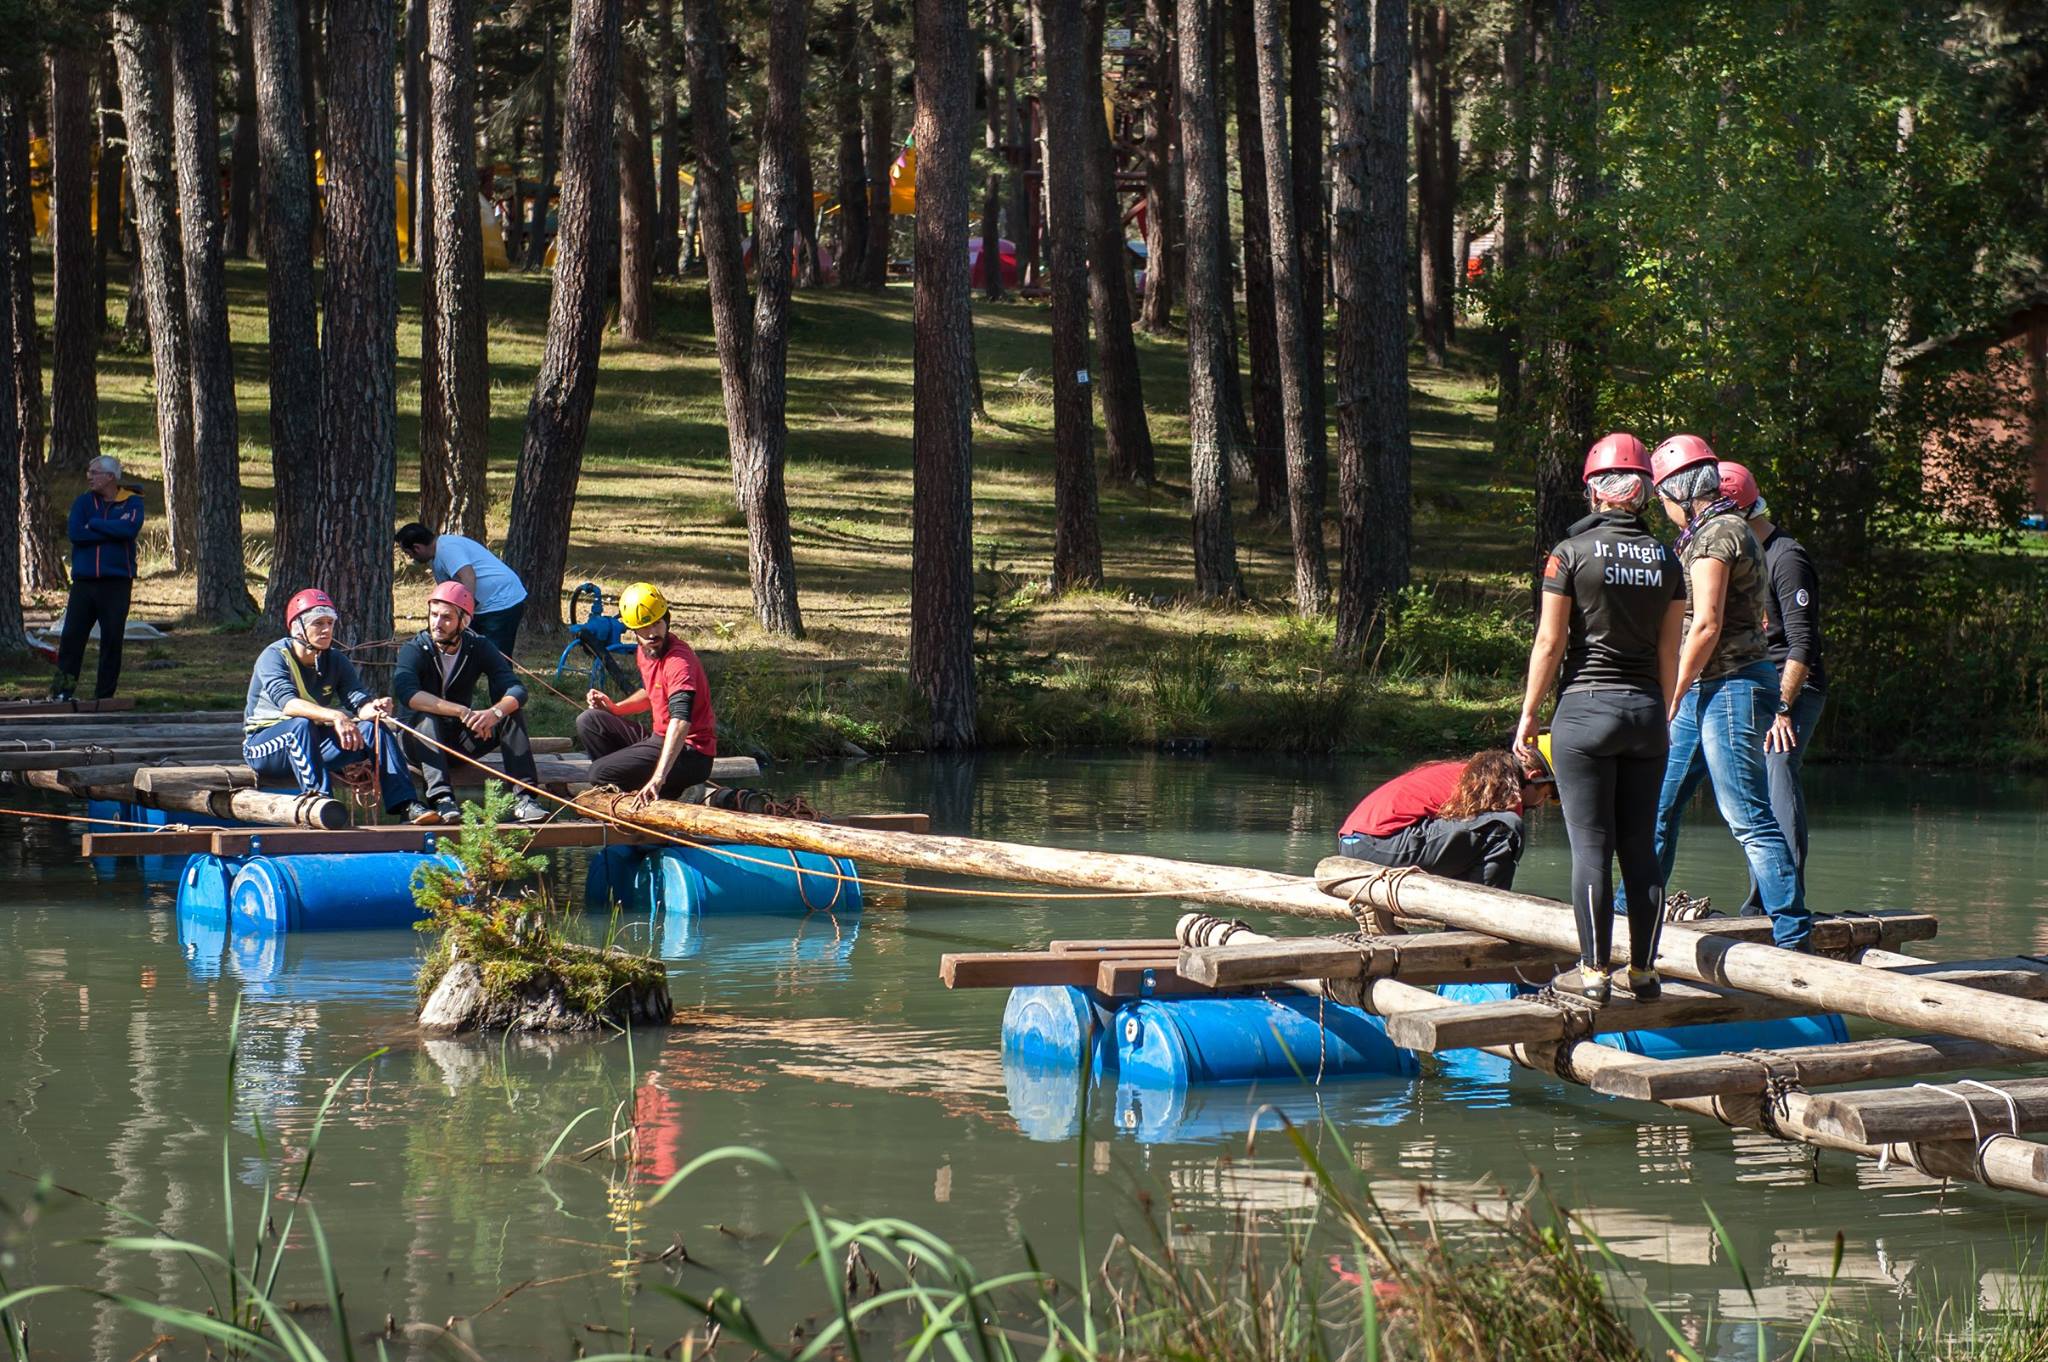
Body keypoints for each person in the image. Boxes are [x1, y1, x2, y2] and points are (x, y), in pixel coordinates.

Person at [1517, 433, 1688, 1002]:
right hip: (1646, 717)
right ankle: (1644, 972)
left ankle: (1593, 974)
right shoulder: (1667, 558)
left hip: (1584, 713)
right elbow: (1671, 651)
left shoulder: (1568, 555)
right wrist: (1663, 712)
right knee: (1638, 848)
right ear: (1642, 493)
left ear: (1594, 490)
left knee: (1592, 848)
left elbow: (1549, 641)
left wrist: (1528, 716)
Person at [1643, 435, 1811, 952]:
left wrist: (1675, 686)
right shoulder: (1717, 529)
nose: (1664, 509)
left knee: (1747, 816)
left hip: (1732, 684)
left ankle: (1792, 935)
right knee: (1659, 807)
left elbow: (1707, 624)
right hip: (1709, 687)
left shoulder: (1717, 534)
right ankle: (1633, 914)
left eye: (1664, 498)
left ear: (1682, 491)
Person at [1717, 461, 1827, 915]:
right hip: (1756, 684)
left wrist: (1783, 707)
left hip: (1794, 688)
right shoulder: (1742, 557)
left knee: (1778, 765)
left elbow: (1802, 643)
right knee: (1749, 784)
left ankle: (1786, 900)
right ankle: (1761, 900)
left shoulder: (1787, 558)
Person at [241, 588, 437, 824]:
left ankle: (406, 804)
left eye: (330, 623)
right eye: (318, 623)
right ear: (297, 628)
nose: (326, 630)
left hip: (310, 742)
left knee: (373, 729)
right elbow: (289, 705)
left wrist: (373, 708)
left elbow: (358, 701)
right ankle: (319, 803)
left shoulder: (335, 659)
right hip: (265, 746)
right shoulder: (274, 656)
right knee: (300, 725)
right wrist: (335, 716)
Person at [390, 580, 553, 824]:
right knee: (426, 717)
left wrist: (493, 714)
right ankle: (442, 800)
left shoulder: (478, 646)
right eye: (433, 615)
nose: (437, 623)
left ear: (464, 621)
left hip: (457, 742)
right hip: (415, 743)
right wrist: (462, 711)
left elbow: (517, 689)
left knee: (510, 715)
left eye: (446, 617)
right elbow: (408, 694)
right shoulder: (414, 649)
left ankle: (525, 799)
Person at [575, 582, 718, 806]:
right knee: (590, 721)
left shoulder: (679, 662)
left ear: (666, 619)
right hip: (659, 739)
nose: (653, 633)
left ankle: (660, 792)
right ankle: (632, 789)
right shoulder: (646, 651)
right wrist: (615, 708)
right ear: (633, 630)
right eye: (644, 628)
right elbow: (652, 692)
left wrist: (659, 777)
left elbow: (680, 721)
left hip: (691, 754)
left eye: (657, 623)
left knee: (598, 773)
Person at [1336, 747, 1554, 890]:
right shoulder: (1506, 792)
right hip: (1377, 842)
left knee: (1481, 836)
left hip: (1354, 842)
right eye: (1545, 795)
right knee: (1506, 828)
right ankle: (1477, 921)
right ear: (1533, 777)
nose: (1541, 805)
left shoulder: (1479, 776)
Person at [52, 455, 145, 701]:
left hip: (116, 582)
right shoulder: (83, 502)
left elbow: (129, 530)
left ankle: (104, 696)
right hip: (84, 583)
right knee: (72, 637)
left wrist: (94, 525)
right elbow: (75, 533)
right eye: (89, 472)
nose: (89, 477)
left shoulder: (132, 502)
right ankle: (62, 690)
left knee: (112, 639)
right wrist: (110, 528)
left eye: (94, 472)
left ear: (110, 477)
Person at [394, 523, 529, 658]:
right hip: (483, 604)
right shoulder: (436, 557)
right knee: (464, 655)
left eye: (408, 553)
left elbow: (468, 576)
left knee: (497, 659)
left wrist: (463, 613)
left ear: (417, 548)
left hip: (502, 600)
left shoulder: (447, 548)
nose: (411, 558)